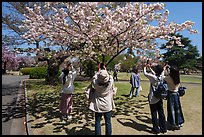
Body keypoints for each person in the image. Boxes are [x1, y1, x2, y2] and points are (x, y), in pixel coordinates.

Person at [89, 66, 117, 135]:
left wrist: (99, 71)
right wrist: (105, 70)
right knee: (108, 122)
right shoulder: (110, 83)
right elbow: (110, 76)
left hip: (98, 105)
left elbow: (94, 77)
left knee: (97, 122)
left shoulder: (95, 84)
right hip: (107, 105)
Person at [143, 63, 167, 135]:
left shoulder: (153, 77)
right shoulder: (162, 76)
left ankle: (156, 130)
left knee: (154, 114)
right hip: (160, 97)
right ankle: (163, 129)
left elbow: (145, 73)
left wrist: (145, 67)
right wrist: (150, 68)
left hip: (153, 98)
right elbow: (161, 72)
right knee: (161, 113)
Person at [163, 65, 184, 130]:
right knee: (177, 109)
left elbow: (162, 76)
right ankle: (179, 122)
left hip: (171, 94)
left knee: (171, 109)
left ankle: (173, 123)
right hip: (177, 94)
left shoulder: (169, 78)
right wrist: (170, 68)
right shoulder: (177, 77)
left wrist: (164, 68)